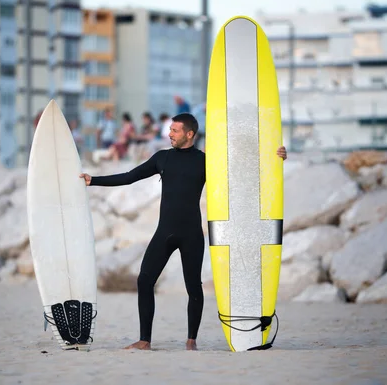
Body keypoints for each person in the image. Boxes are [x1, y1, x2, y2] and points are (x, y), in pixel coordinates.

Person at [79, 113, 287, 351]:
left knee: (193, 287)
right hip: (164, 232)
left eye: (175, 131)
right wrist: (92, 180)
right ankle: (144, 340)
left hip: (191, 234)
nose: (169, 134)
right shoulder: (162, 158)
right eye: (170, 130)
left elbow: (241, 174)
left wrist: (274, 158)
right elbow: (129, 177)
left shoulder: (205, 162)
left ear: (189, 134)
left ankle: (191, 341)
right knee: (145, 280)